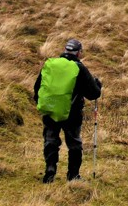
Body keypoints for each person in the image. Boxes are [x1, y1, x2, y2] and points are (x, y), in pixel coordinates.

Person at [34, 38, 102, 183]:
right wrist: (98, 85)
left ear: (65, 50)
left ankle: (50, 170)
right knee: (74, 144)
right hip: (72, 114)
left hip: (50, 111)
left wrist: (44, 105)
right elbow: (93, 94)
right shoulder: (79, 68)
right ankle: (73, 175)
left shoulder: (51, 64)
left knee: (51, 141)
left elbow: (37, 87)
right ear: (78, 53)